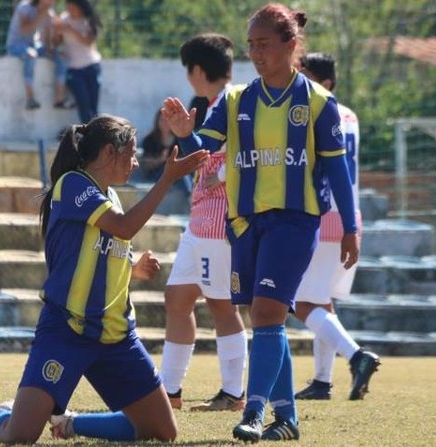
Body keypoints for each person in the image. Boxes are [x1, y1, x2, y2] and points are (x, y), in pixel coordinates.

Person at [162, 3, 360, 442]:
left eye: (264, 44)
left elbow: (337, 174)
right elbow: (203, 149)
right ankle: (286, 418)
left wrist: (350, 228)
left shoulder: (317, 103)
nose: (255, 53)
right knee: (264, 318)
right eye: (251, 45)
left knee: (269, 311)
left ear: (291, 45)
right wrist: (183, 133)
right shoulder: (236, 101)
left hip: (296, 221)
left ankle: (253, 410)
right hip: (246, 224)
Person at [0, 115, 209, 444]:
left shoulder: (109, 195)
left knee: (162, 431)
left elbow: (99, 252)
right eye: (131, 152)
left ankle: (70, 424)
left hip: (115, 337)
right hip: (67, 330)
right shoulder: (73, 184)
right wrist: (168, 178)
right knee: (20, 436)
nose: (136, 161)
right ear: (108, 153)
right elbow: (124, 227)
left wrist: (133, 266)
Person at [159, 33, 248, 413]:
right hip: (200, 220)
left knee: (221, 305)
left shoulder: (233, 100)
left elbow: (243, 153)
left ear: (197, 70)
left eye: (188, 70)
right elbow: (208, 151)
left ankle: (232, 394)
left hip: (218, 220)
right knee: (177, 299)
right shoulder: (216, 103)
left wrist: (224, 172)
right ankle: (169, 392)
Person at [294, 52, 380, 401]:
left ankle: (357, 355)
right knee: (321, 302)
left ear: (325, 83)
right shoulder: (350, 115)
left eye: (305, 75)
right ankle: (322, 381)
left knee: (300, 303)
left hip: (323, 214)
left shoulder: (316, 112)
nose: (298, 81)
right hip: (348, 216)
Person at [6, 0, 68, 110]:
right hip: (16, 46)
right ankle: (30, 98)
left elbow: (49, 36)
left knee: (61, 56)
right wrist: (42, 14)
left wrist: (51, 49)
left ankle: (60, 98)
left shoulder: (49, 12)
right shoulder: (25, 7)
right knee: (31, 55)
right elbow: (24, 29)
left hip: (33, 45)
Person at [55, 0, 102, 123]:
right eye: (68, 7)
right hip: (73, 68)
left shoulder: (88, 20)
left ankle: (95, 134)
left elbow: (88, 42)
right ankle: (88, 133)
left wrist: (71, 31)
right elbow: (57, 42)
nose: (70, 10)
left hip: (91, 66)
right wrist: (60, 51)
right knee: (83, 102)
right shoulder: (63, 20)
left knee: (93, 104)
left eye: (73, 7)